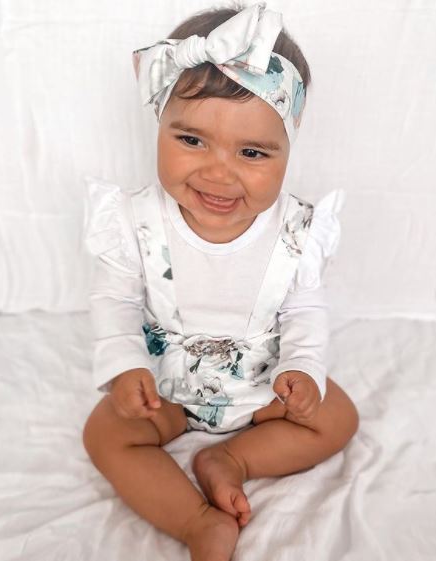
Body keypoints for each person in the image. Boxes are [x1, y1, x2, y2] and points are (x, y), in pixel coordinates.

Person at [82, 3, 359, 560]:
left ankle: (231, 459)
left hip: (261, 385)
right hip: (166, 387)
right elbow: (114, 298)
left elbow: (304, 309)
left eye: (251, 152)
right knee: (104, 434)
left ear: (288, 146)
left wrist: (302, 368)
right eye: (191, 141)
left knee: (338, 417)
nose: (217, 172)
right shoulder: (132, 221)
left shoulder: (297, 231)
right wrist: (125, 364)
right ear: (159, 123)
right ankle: (196, 521)